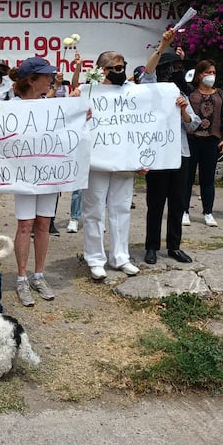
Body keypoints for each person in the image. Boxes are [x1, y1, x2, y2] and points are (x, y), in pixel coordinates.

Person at [80, 51, 142, 281]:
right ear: (102, 70)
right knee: (94, 210)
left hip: (123, 159)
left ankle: (120, 256)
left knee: (121, 208)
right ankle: (95, 259)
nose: (120, 71)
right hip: (96, 162)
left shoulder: (131, 92)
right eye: (115, 68)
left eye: (122, 67)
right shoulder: (89, 93)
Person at [141, 30, 202, 265]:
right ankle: (151, 246)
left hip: (180, 154)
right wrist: (163, 45)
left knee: (177, 201)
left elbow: (194, 125)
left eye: (178, 68)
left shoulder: (181, 93)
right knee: (155, 202)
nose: (175, 72)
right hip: (157, 155)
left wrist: (184, 110)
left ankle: (174, 246)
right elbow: (147, 72)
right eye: (172, 67)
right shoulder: (150, 89)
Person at [10, 57, 59, 306]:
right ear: (32, 80)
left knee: (43, 223)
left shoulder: (53, 107)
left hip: (49, 175)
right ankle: (21, 278)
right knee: (25, 224)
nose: (51, 79)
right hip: (24, 176)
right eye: (46, 76)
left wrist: (84, 116)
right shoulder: (11, 107)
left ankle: (38, 275)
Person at [183, 60, 223, 227]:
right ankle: (184, 211)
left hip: (212, 140)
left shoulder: (219, 93)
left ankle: (208, 212)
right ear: (199, 74)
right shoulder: (190, 92)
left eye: (213, 72)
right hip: (192, 138)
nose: (211, 76)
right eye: (207, 72)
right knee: (187, 177)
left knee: (208, 178)